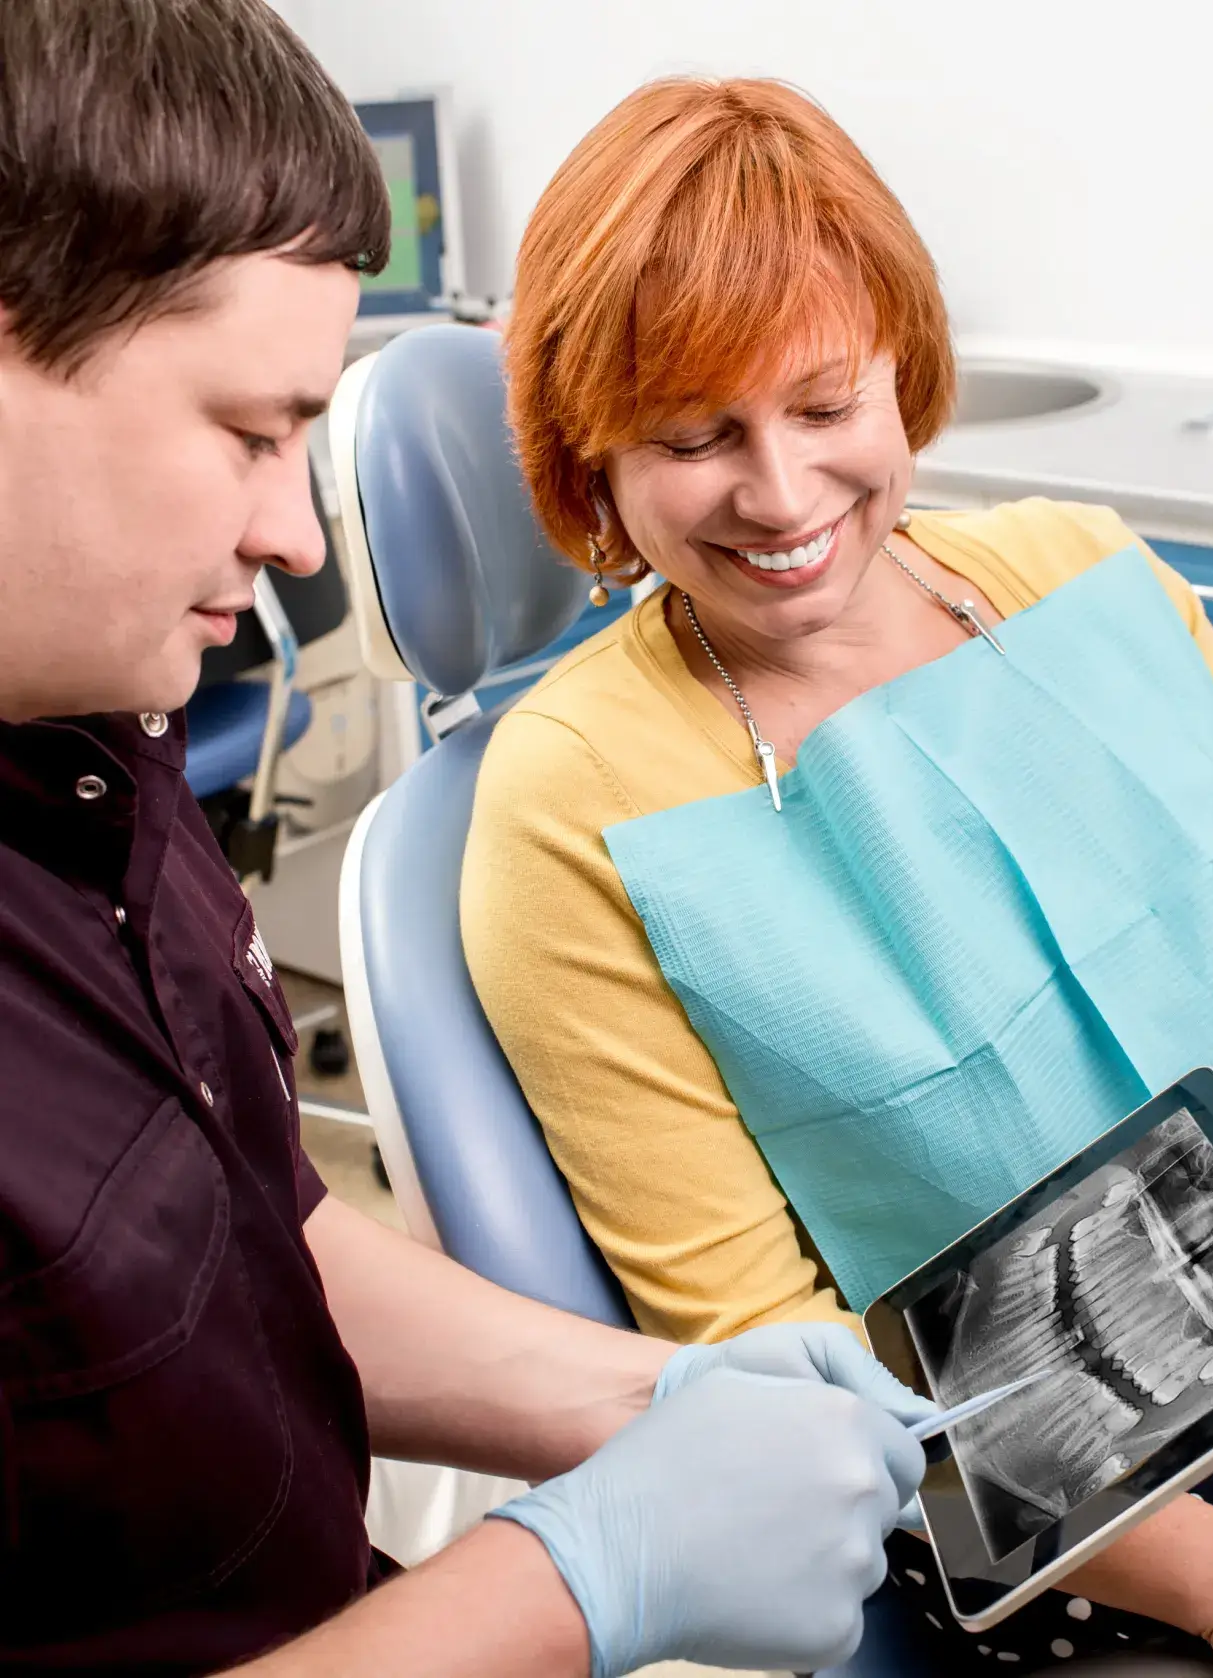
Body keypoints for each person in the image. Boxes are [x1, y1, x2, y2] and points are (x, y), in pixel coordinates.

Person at [461, 75, 1213, 1678]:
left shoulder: (1081, 569)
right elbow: (768, 1360)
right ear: (592, 459)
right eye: (695, 439)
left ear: (900, 365)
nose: (778, 494)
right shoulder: (570, 801)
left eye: (824, 405)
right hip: (1044, 1468)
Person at [0, 8, 934, 1675]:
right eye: (249, 430)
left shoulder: (93, 741)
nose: (295, 533)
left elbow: (231, 1243)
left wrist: (644, 1396)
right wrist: (571, 1583)